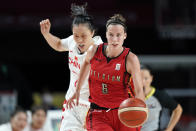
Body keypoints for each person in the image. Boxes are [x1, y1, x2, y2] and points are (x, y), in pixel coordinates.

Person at [67, 14, 145, 131]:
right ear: (106, 35)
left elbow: (139, 91)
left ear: (125, 36)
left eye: (118, 35)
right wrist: (77, 90)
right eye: (111, 35)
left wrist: (141, 110)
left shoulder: (131, 59)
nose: (114, 39)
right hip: (98, 113)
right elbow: (85, 64)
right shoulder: (94, 50)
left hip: (123, 112)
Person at [40, 3, 103, 131]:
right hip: (72, 104)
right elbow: (58, 44)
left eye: (83, 36)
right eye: (76, 35)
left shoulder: (102, 51)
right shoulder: (72, 41)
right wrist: (47, 34)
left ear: (92, 32)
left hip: (94, 107)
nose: (79, 40)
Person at [140, 65, 183, 131]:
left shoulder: (160, 95)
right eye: (139, 78)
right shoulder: (128, 95)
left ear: (151, 78)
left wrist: (169, 129)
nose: (142, 82)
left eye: (146, 78)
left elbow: (178, 110)